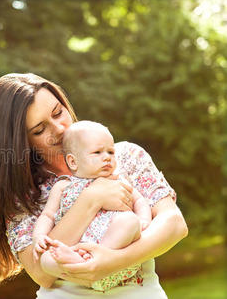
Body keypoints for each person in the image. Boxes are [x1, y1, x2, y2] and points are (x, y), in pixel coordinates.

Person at [0, 73, 188, 299]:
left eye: (58, 112)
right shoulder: (22, 195)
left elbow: (175, 225)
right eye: (39, 130)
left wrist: (112, 262)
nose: (59, 129)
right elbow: (40, 272)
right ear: (21, 142)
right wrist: (91, 200)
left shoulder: (124, 157)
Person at [32, 120, 152, 292]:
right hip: (78, 250)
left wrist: (143, 220)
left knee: (129, 221)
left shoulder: (118, 181)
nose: (107, 157)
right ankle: (80, 262)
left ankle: (97, 260)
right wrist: (39, 237)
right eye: (97, 152)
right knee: (46, 260)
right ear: (73, 162)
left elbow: (139, 201)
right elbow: (48, 216)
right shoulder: (63, 187)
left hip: (111, 252)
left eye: (111, 152)